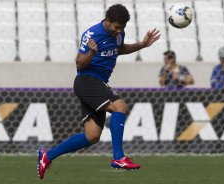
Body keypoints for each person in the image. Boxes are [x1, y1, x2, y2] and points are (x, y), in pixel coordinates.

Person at [37, 4, 160, 179]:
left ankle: (47, 156)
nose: (119, 31)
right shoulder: (92, 34)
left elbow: (119, 48)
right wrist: (92, 52)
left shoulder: (118, 33)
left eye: (122, 28)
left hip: (98, 82)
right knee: (120, 107)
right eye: (116, 27)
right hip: (87, 80)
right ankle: (118, 157)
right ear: (107, 21)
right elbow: (79, 63)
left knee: (92, 136)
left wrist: (142, 44)